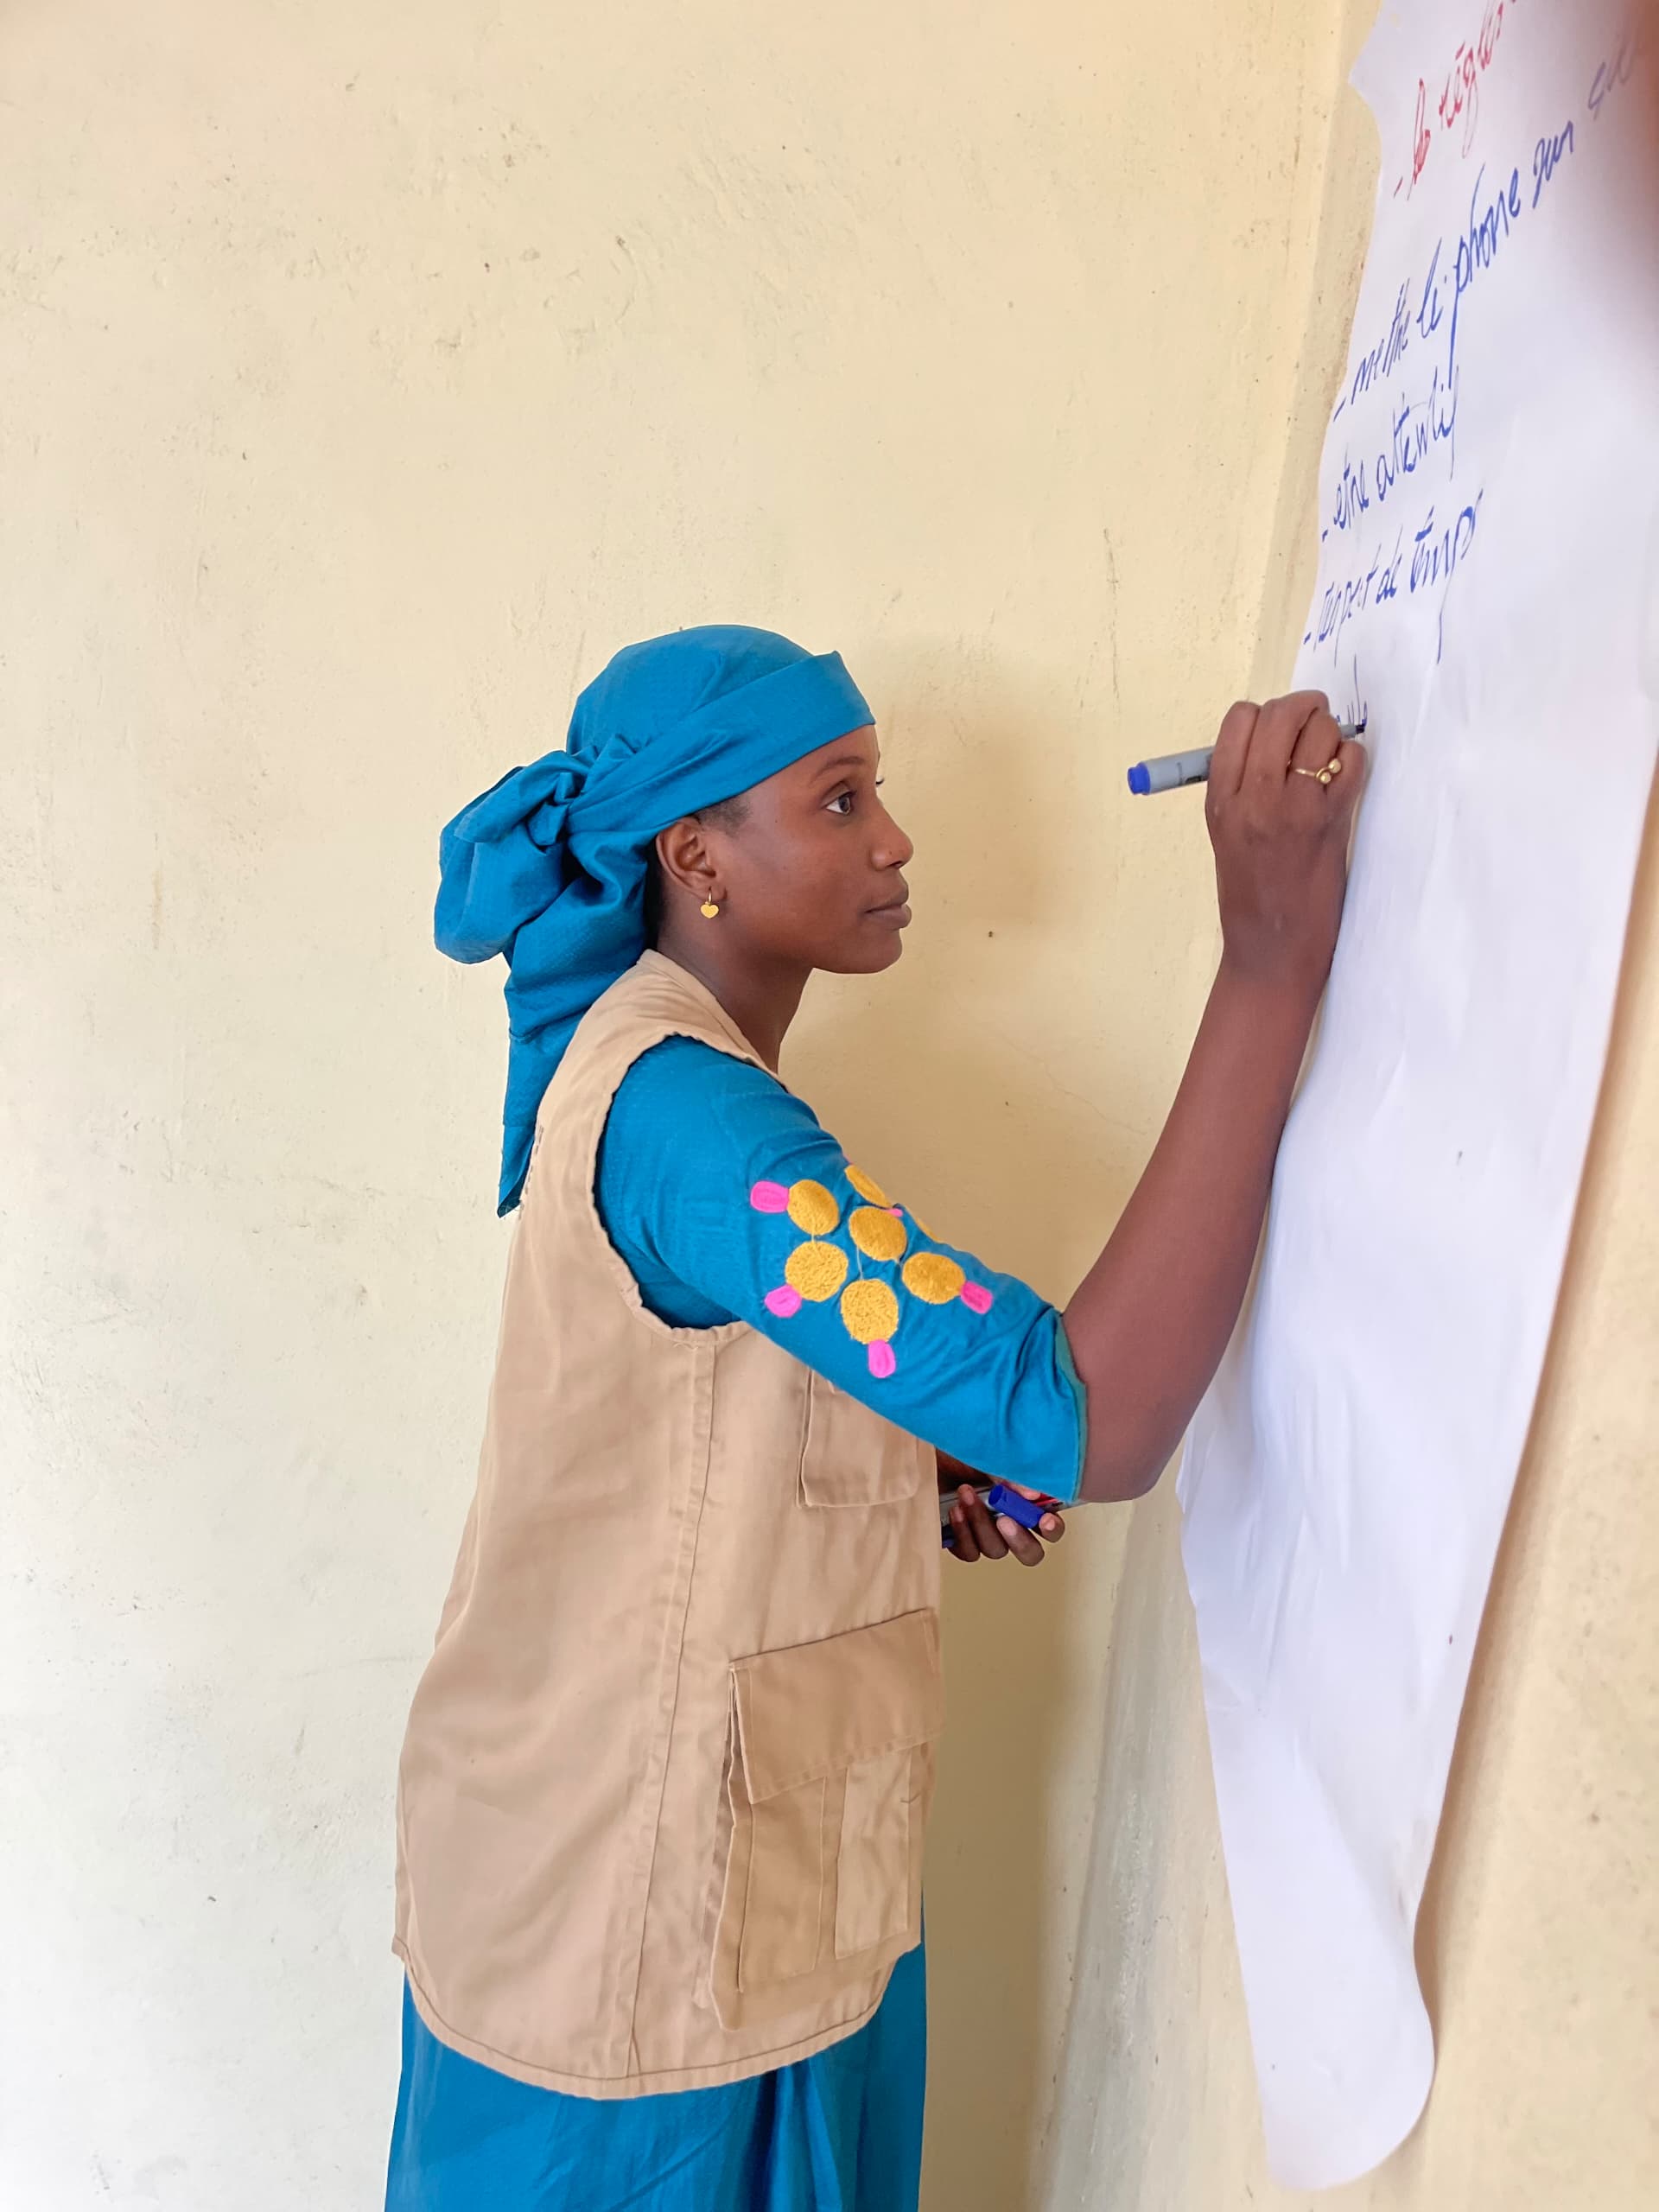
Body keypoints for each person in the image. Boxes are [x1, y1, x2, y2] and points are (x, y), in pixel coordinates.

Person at [385, 626, 1363, 2211]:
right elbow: (1096, 1420)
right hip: (635, 1932)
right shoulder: (696, 1120)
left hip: (702, 1883)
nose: (898, 841)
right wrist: (1271, 967)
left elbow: (706, 1423)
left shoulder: (671, 1067)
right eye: (841, 802)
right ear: (695, 855)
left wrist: (898, 1481)